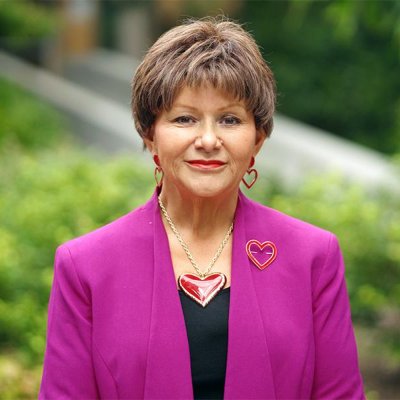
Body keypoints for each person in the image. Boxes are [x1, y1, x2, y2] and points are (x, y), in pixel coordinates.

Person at [39, 17, 365, 399]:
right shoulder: (85, 266)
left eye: (229, 119)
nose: (208, 140)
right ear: (150, 134)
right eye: (184, 119)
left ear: (257, 138)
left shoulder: (314, 256)